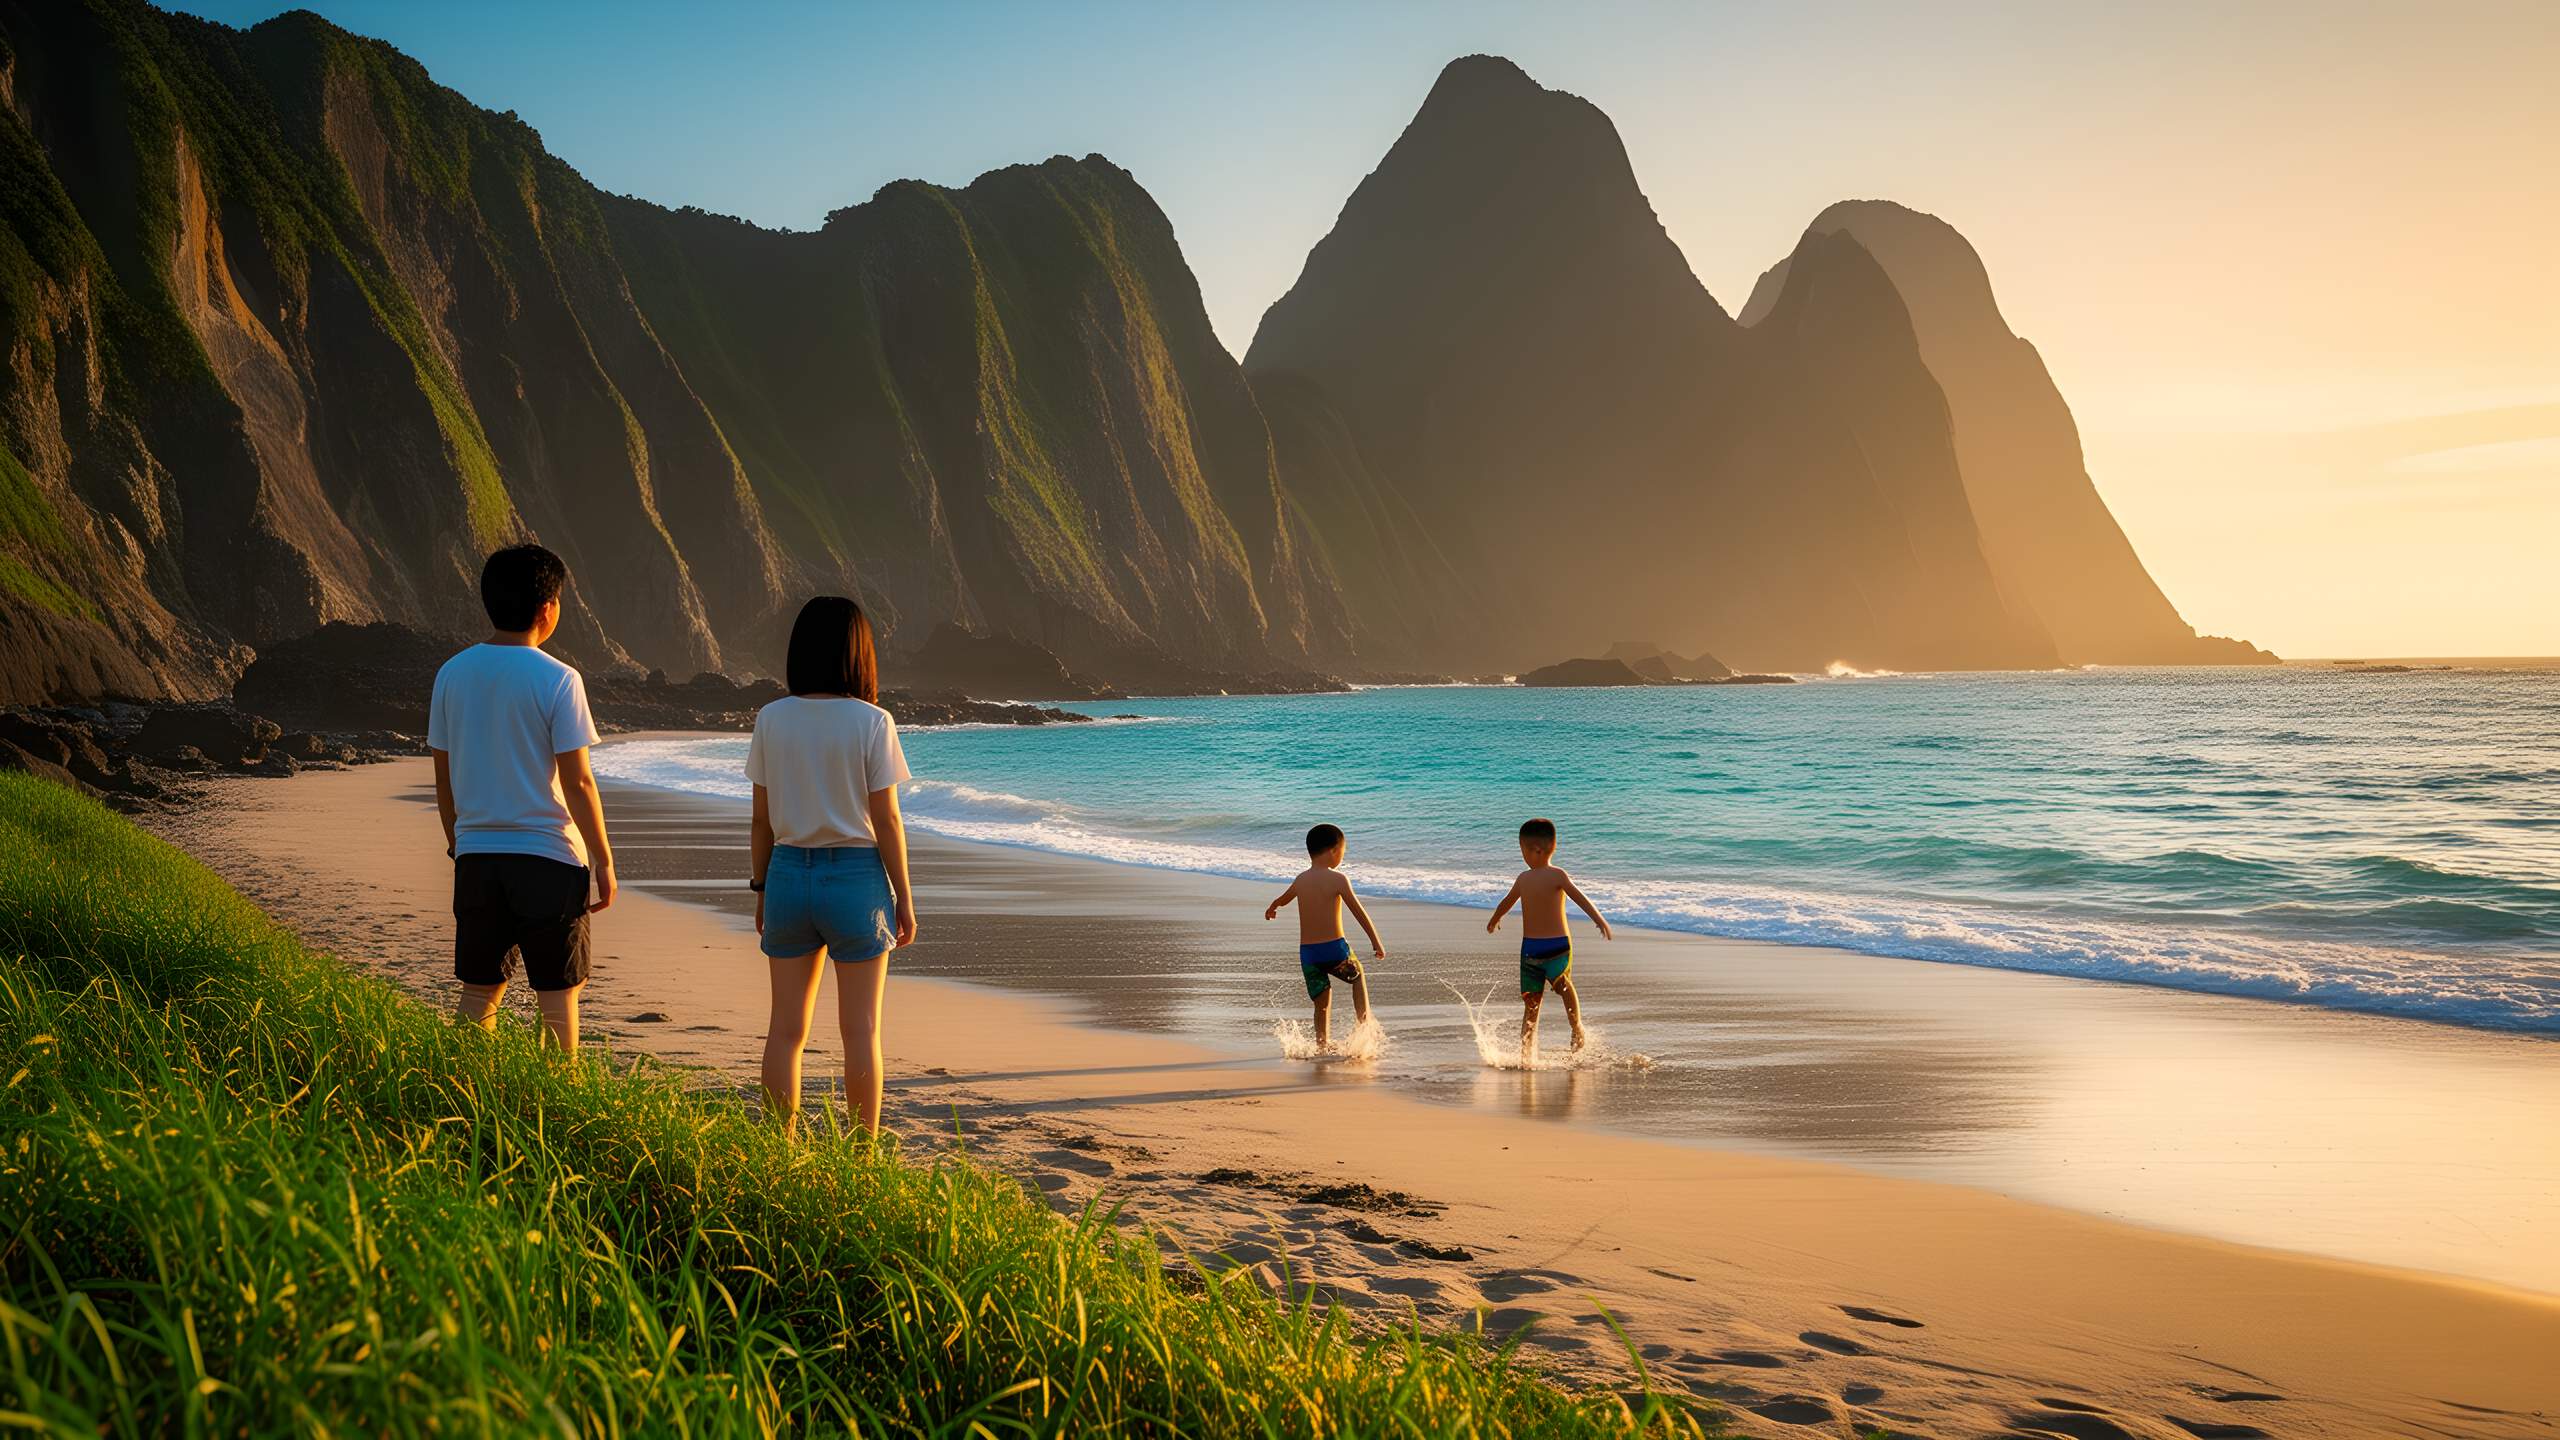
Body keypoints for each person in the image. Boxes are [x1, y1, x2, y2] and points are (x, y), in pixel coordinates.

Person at [429, 544, 616, 1052]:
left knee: (480, 991)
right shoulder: (559, 678)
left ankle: (459, 1095)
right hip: (549, 861)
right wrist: (602, 858)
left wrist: (458, 843)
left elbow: (444, 779)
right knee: (558, 997)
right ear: (547, 608)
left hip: (477, 857)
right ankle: (556, 1109)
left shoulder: (452, 673)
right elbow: (578, 783)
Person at [748, 596, 915, 1135]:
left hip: (788, 875)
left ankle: (779, 1152)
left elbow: (761, 822)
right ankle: (861, 1161)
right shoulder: (872, 721)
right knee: (861, 1031)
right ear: (858, 654)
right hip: (856, 879)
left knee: (785, 1031)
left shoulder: (771, 718)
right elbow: (886, 820)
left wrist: (761, 890)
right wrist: (904, 898)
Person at [1486, 817, 1612, 1056]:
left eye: (1522, 850)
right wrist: (1495, 918)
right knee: (1531, 1002)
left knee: (1563, 986)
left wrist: (1599, 919)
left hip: (1556, 947)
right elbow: (1508, 901)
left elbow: (1580, 898)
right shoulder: (1523, 878)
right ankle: (1527, 1051)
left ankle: (1577, 1029)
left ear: (1536, 849)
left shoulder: (1557, 875)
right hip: (1530, 951)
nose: (1522, 855)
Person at [1264, 823, 1385, 1050]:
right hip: (1334, 948)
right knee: (1357, 977)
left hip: (1308, 954)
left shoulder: (1301, 879)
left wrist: (1273, 907)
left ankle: (1322, 1043)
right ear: (1332, 851)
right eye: (1342, 851)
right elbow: (1359, 913)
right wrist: (1375, 941)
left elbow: (1283, 898)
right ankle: (1364, 1025)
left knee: (1322, 996)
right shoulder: (1338, 879)